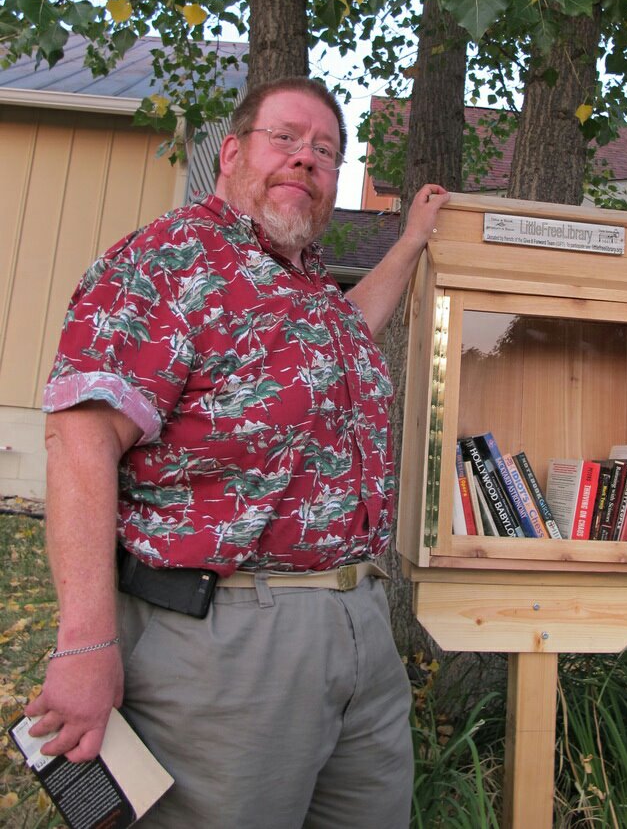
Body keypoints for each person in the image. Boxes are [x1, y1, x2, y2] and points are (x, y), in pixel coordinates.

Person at [25, 77, 449, 828]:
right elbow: (80, 438)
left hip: (358, 624)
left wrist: (411, 242)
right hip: (228, 646)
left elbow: (354, 325)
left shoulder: (308, 286)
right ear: (229, 154)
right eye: (284, 138)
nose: (306, 160)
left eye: (325, 151)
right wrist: (84, 643)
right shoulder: (172, 258)